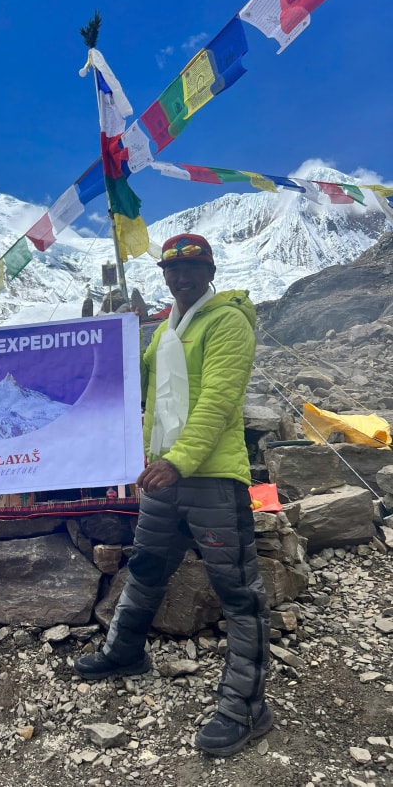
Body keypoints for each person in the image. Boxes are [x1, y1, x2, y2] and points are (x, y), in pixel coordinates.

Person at [74, 233, 271, 758]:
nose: (181, 278)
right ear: (163, 275)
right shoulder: (165, 330)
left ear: (209, 270)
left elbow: (218, 403)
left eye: (192, 269)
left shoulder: (227, 321)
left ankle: (248, 706)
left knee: (238, 594)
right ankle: (124, 653)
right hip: (163, 479)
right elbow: (134, 390)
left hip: (209, 480)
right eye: (172, 270)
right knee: (144, 570)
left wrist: (176, 462)